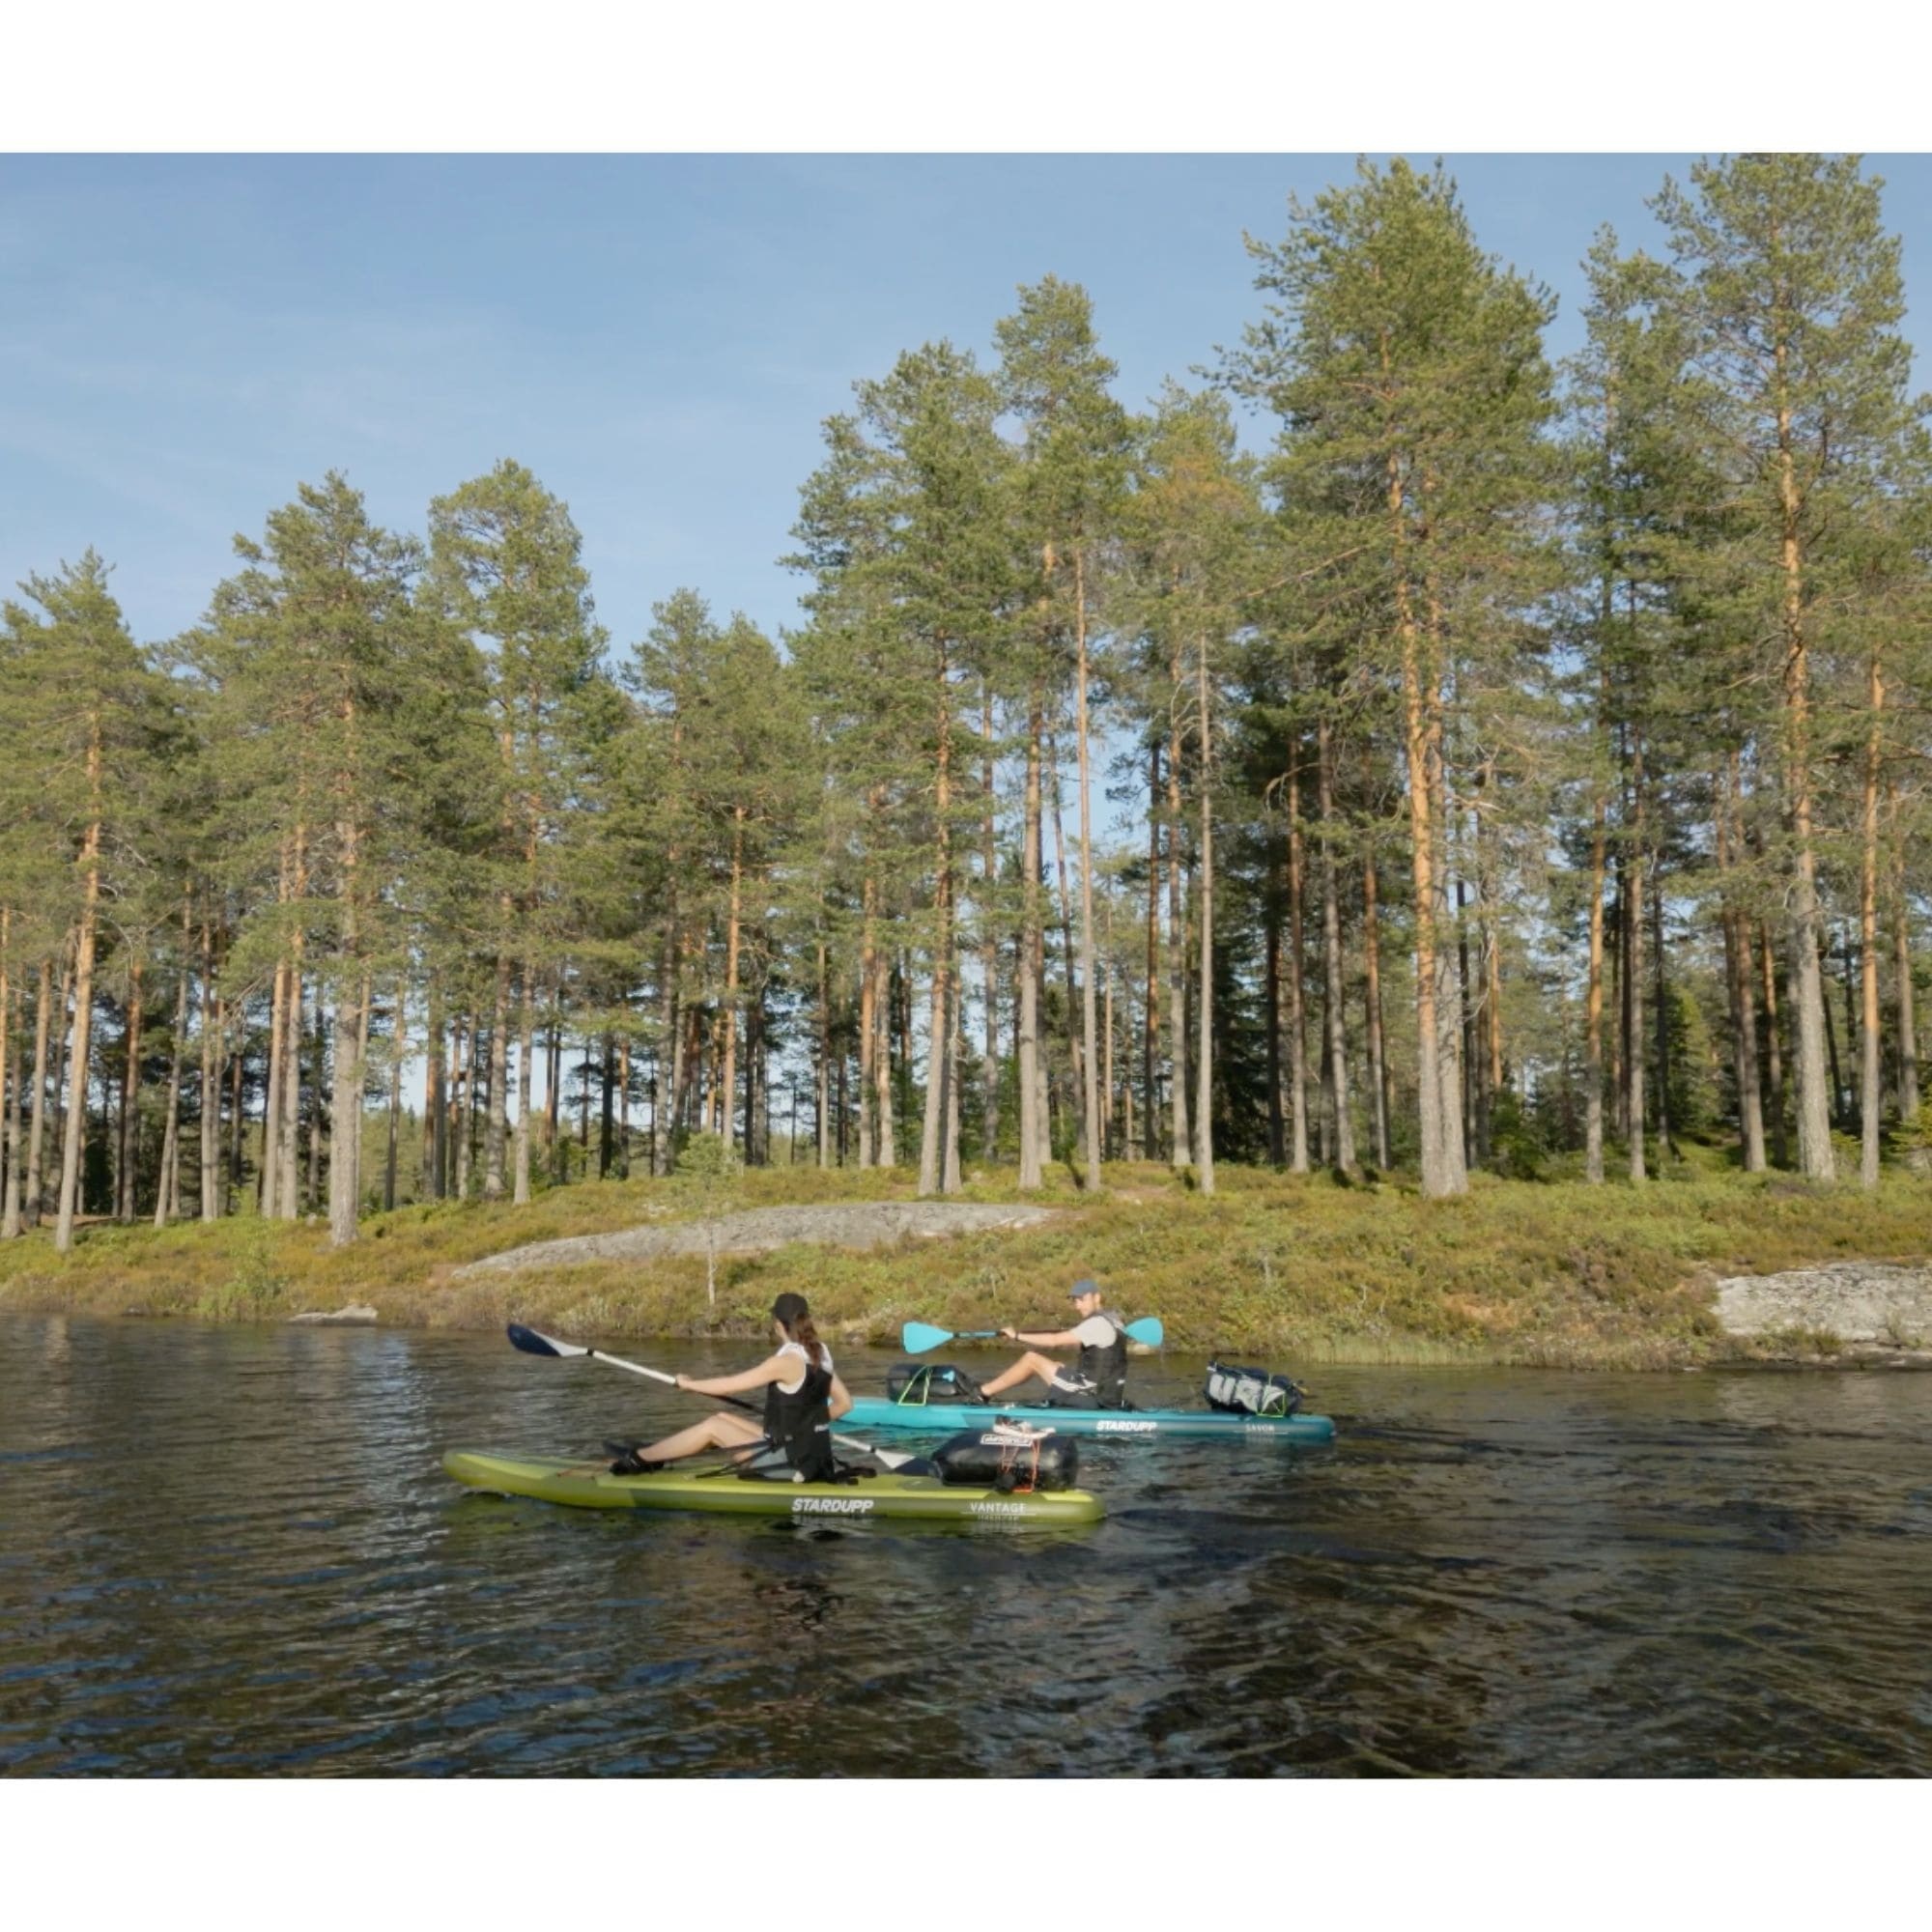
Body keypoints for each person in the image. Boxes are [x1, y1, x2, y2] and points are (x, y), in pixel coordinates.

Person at [610, 1292, 853, 1477]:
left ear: (778, 1325)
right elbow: (844, 1404)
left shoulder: (784, 1361)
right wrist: (806, 1425)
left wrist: (690, 1385)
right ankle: (659, 1454)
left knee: (713, 1427)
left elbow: (730, 1385)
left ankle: (638, 1459)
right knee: (723, 1417)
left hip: (789, 1466)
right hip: (816, 1457)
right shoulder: (820, 1354)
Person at [976, 1278, 1131, 1410]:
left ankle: (982, 1393)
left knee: (1031, 1359)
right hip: (1108, 1396)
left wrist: (1016, 1336)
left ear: (1097, 1298)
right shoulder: (1115, 1320)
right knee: (1057, 1365)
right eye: (1076, 1301)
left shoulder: (1097, 1323)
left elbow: (1054, 1341)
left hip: (1090, 1396)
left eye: (1082, 1300)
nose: (1078, 1306)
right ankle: (990, 1392)